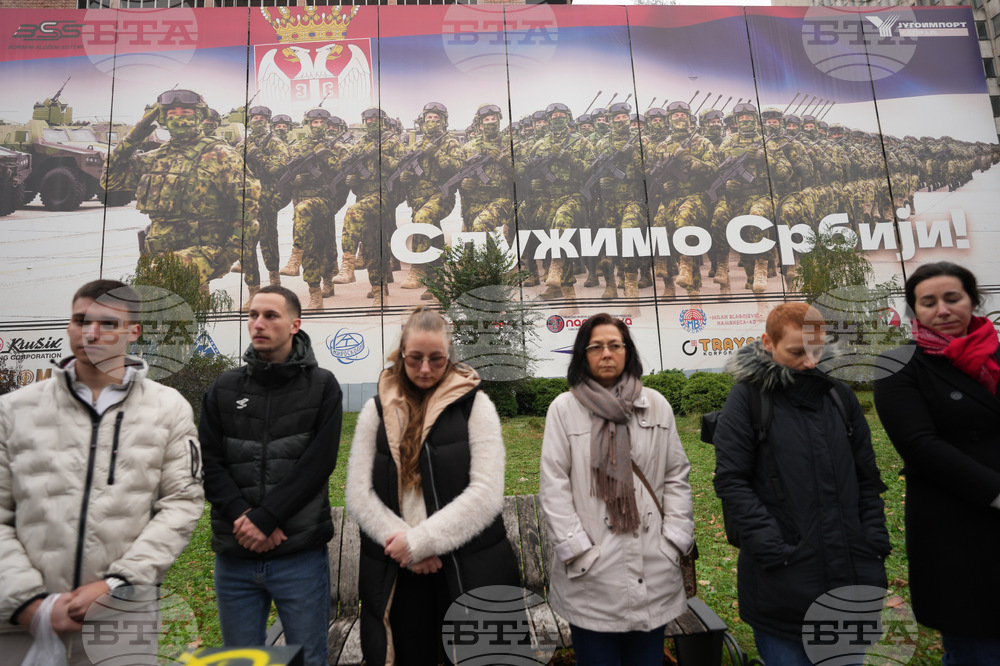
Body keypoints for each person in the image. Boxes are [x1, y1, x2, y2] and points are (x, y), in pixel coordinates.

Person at [0, 279, 205, 663]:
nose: (91, 333)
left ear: (133, 331)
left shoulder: (169, 408)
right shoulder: (13, 410)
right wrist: (27, 602)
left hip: (120, 623)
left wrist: (118, 584)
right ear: (69, 326)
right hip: (20, 627)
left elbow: (182, 504)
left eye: (108, 323)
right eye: (81, 320)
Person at [712, 302, 889, 665]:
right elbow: (731, 481)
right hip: (781, 586)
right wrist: (774, 550)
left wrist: (872, 540)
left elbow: (867, 480)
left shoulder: (840, 397)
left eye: (817, 350)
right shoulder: (747, 400)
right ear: (768, 343)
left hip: (850, 584)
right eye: (797, 352)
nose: (810, 362)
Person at [345, 306, 519, 665]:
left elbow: (486, 493)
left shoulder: (476, 406)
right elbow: (359, 494)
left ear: (450, 356)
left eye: (436, 359)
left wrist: (420, 542)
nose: (425, 368)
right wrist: (406, 548)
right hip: (399, 573)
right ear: (401, 355)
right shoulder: (375, 411)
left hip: (471, 565)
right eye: (415, 358)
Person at [538, 313, 693, 666]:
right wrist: (578, 551)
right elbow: (554, 486)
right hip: (591, 572)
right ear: (583, 355)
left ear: (627, 352)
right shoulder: (564, 410)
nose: (606, 353)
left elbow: (676, 475)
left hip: (653, 566)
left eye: (614, 345)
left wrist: (674, 539)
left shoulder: (655, 405)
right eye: (596, 347)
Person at [199, 285, 343, 666]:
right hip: (236, 554)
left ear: (295, 324)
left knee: (309, 658)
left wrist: (267, 517)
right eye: (252, 315)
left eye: (270, 316)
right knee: (241, 660)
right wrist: (244, 518)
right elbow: (209, 462)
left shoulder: (322, 386)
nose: (258, 323)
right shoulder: (224, 388)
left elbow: (318, 463)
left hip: (299, 554)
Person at [874, 262, 1000, 665]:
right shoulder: (898, 366)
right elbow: (920, 446)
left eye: (952, 298)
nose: (942, 310)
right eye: (928, 302)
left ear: (973, 301)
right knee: (979, 647)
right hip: (957, 527)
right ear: (915, 311)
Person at [102, 89, 260, 292]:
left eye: (186, 112)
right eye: (172, 113)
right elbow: (110, 181)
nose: (179, 117)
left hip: (202, 251)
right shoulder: (155, 158)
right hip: (158, 254)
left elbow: (247, 207)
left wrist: (230, 252)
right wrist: (133, 138)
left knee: (163, 291)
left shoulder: (221, 155)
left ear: (200, 116)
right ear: (163, 119)